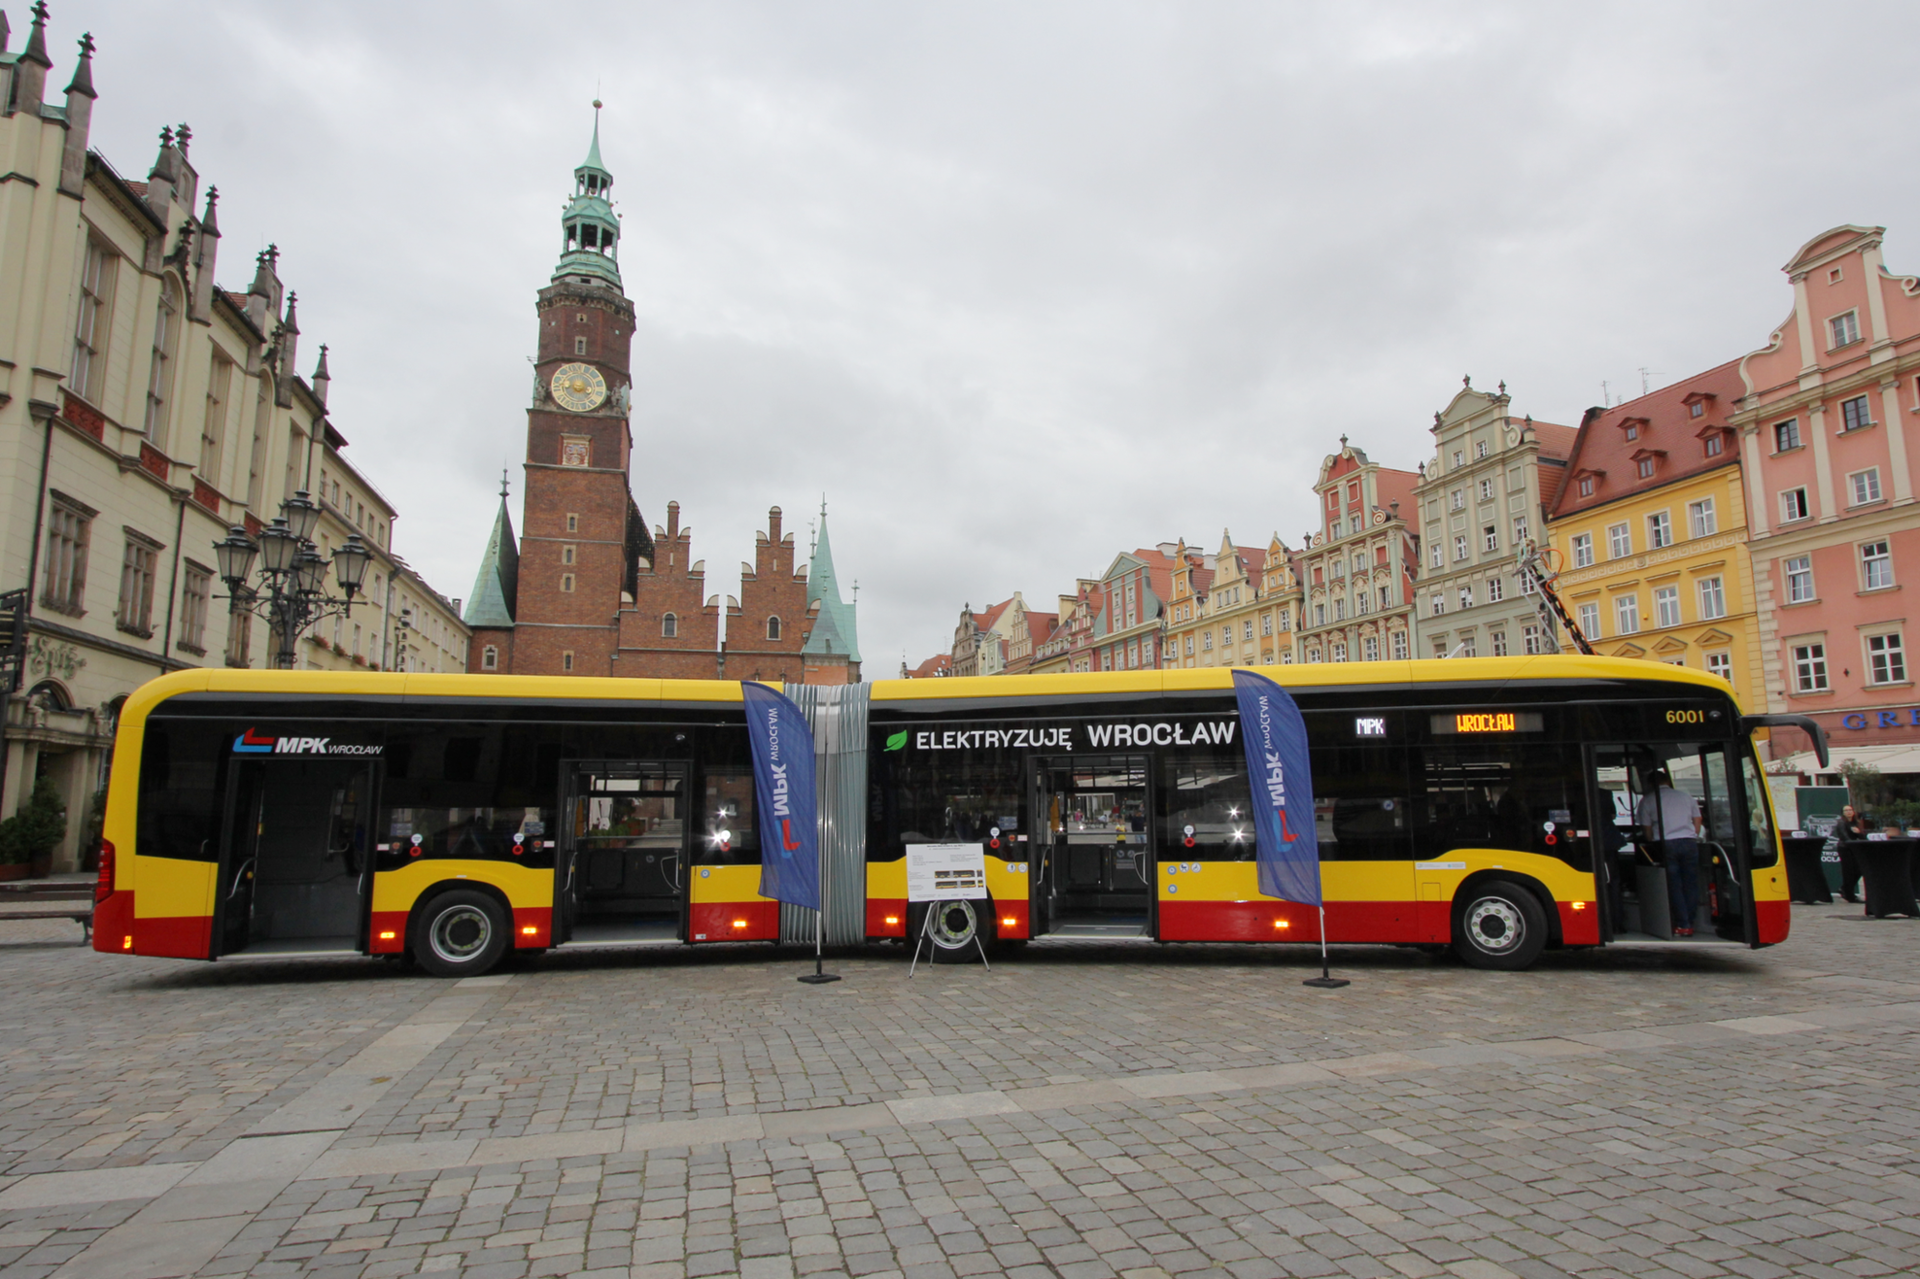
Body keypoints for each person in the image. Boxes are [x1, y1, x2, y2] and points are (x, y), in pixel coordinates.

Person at [1636, 768, 1703, 936]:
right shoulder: (1685, 796)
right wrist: (1693, 833)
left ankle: (1682, 923)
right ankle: (1690, 920)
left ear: (1651, 784)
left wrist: (1650, 839)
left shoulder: (1648, 800)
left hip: (1666, 844)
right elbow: (1697, 818)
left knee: (1674, 885)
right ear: (1667, 781)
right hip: (1688, 842)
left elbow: (1646, 827)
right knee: (1690, 883)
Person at [1837, 804, 1869, 903]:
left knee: (1859, 870)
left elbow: (1863, 837)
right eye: (1846, 810)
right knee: (1848, 872)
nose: (1849, 812)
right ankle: (1849, 895)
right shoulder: (1841, 823)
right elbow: (1844, 837)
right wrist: (1852, 843)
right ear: (1843, 813)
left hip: (1855, 849)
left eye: (1850, 810)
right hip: (1845, 849)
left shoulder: (1856, 823)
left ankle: (1844, 889)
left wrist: (1858, 832)